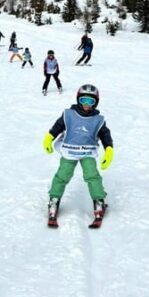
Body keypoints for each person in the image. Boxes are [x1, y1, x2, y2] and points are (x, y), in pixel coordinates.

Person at [42, 84, 113, 222]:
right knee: (62, 175)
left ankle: (99, 201)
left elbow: (105, 135)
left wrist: (109, 150)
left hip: (87, 152)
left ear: (96, 102)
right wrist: (49, 138)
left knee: (92, 176)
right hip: (70, 151)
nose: (86, 104)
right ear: (78, 100)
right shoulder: (68, 114)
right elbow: (57, 127)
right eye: (83, 100)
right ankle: (54, 200)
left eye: (90, 101)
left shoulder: (98, 120)